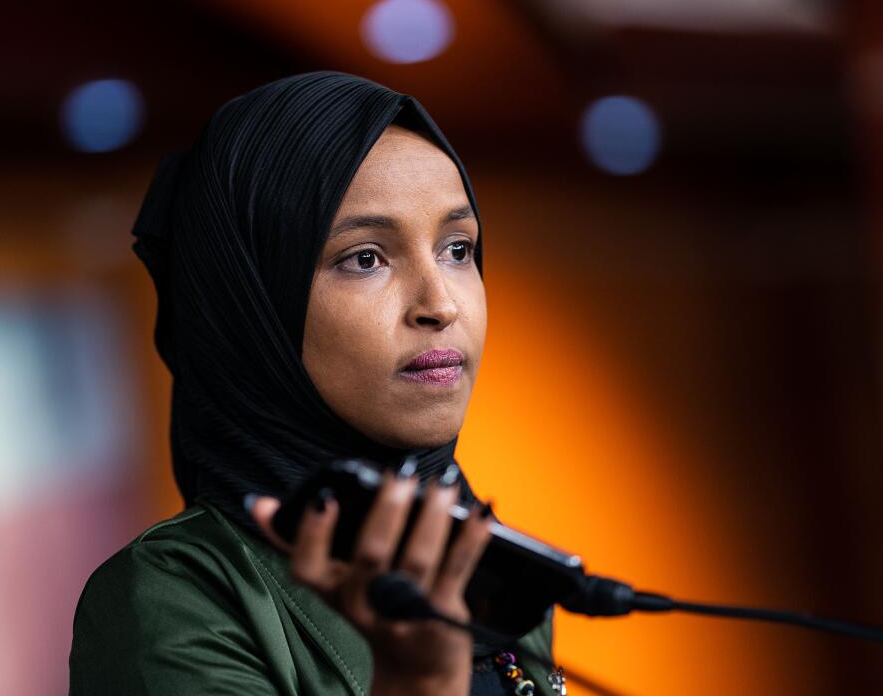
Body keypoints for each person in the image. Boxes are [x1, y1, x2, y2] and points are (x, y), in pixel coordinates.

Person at [67, 71, 558, 695]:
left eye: (457, 249)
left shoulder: (487, 562)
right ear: (253, 307)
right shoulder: (174, 596)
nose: (440, 305)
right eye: (365, 258)